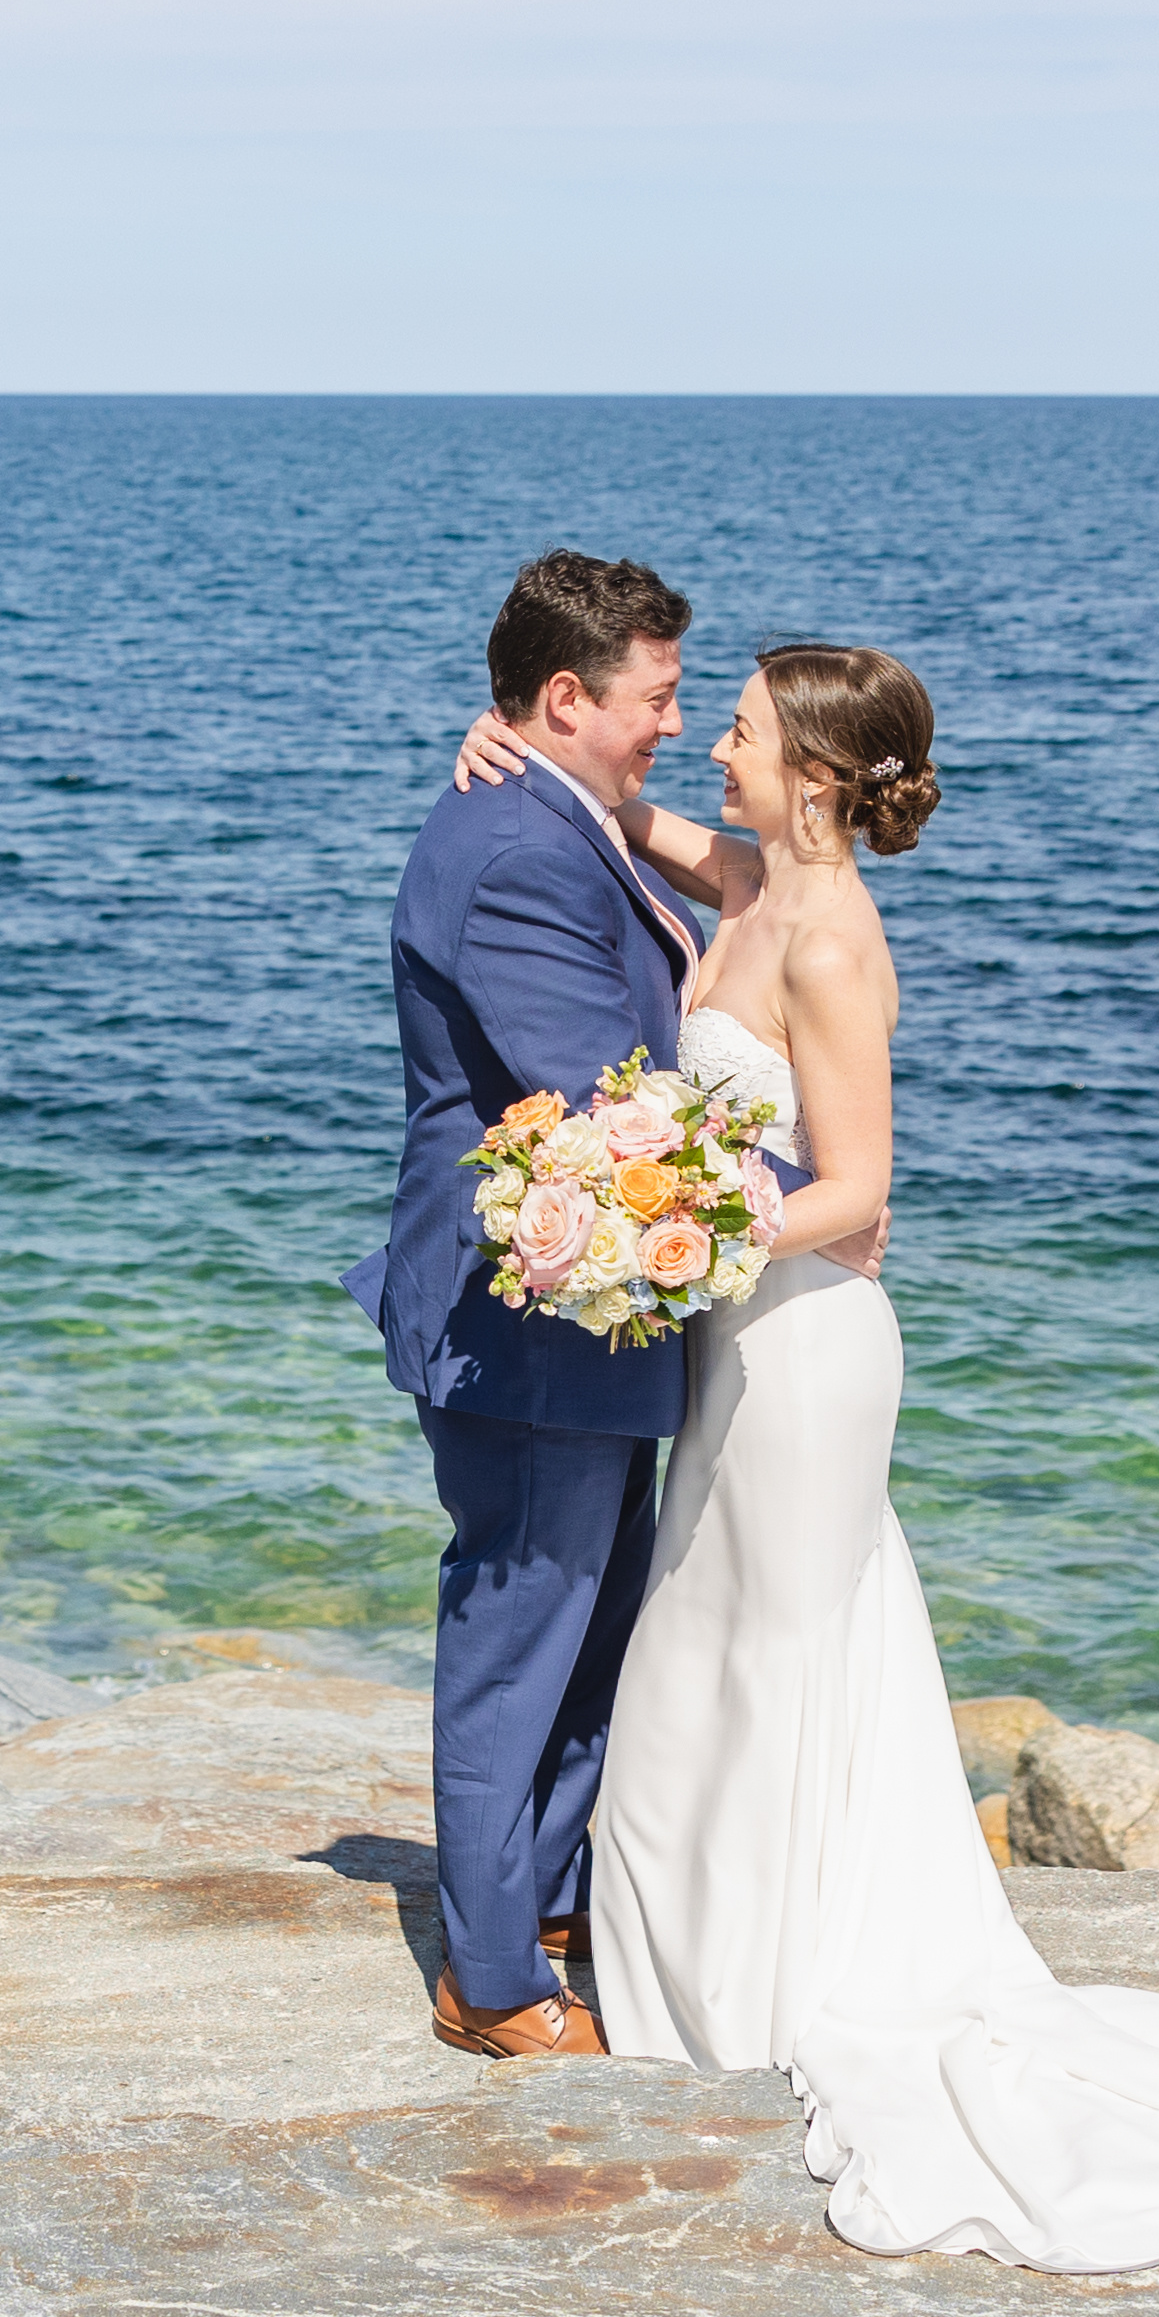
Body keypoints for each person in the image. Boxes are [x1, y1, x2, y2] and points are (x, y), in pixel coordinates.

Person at [446, 645, 1159, 2270]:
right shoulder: (760, 879)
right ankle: (697, 1960)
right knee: (708, 1640)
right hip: (733, 1345)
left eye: (747, 733)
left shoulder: (830, 938)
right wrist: (517, 746)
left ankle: (773, 1982)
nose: (721, 750)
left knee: (769, 1646)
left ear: (817, 776)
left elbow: (863, 1187)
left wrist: (677, 1222)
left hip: (804, 1349)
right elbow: (633, 824)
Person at [355, 550, 768, 2058]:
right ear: (562, 697)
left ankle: (536, 1894)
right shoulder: (521, 849)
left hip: (583, 1313)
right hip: (526, 1311)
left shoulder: (552, 807)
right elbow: (608, 1099)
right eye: (656, 699)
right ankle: (490, 1978)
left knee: (593, 1620)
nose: (671, 723)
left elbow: (759, 877)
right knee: (524, 1622)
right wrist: (795, 1187)